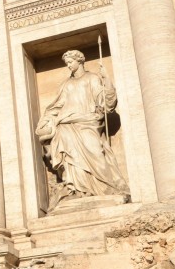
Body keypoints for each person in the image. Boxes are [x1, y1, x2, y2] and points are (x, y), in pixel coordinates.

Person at [35, 50, 129, 206]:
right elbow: (57, 105)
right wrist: (46, 120)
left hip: (88, 122)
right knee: (71, 159)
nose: (68, 65)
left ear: (80, 61)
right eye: (67, 63)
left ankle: (105, 187)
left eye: (70, 62)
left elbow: (106, 102)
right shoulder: (66, 84)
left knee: (96, 153)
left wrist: (107, 81)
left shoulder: (92, 78)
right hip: (66, 125)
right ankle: (79, 190)